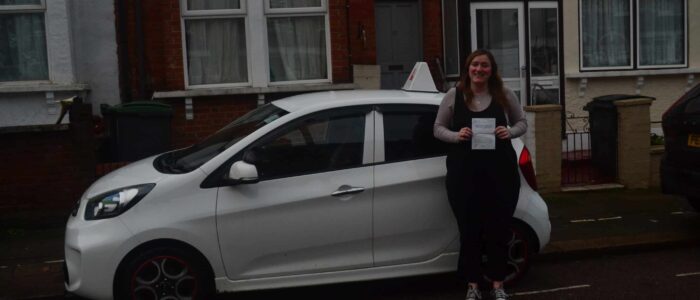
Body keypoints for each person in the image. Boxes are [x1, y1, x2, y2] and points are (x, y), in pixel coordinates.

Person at [433, 49, 527, 300]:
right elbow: (438, 128)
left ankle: (498, 286)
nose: (479, 69)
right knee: (470, 232)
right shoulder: (454, 95)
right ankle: (472, 286)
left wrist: (510, 132)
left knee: (498, 230)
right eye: (475, 65)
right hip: (464, 178)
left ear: (491, 70)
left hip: (500, 176)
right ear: (468, 68)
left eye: (485, 65)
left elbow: (522, 123)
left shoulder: (505, 94)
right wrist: (456, 135)